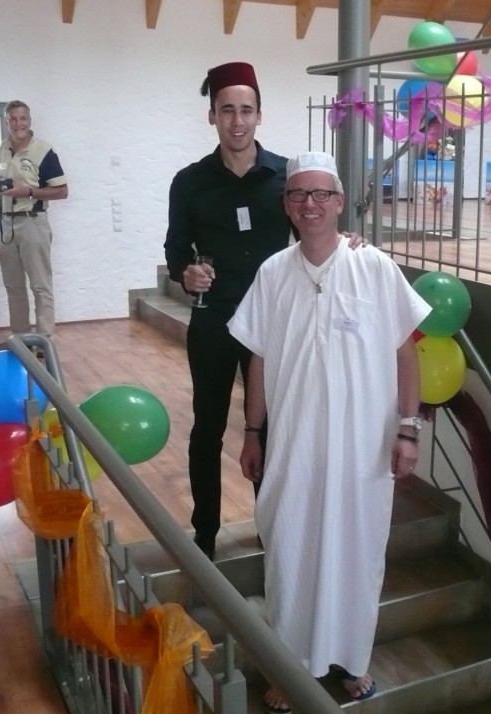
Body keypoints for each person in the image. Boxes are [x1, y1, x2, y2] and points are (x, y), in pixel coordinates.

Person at [228, 151, 430, 714]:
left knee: (358, 552)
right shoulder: (272, 273)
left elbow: (405, 354)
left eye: (321, 194)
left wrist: (408, 429)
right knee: (289, 551)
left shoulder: (374, 266)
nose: (310, 204)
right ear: (287, 205)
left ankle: (352, 658)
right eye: (299, 195)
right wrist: (253, 431)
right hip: (293, 445)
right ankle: (289, 666)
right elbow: (258, 359)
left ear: (340, 202)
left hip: (363, 449)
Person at [164, 62, 365, 560]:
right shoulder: (189, 182)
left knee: (273, 426)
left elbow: (313, 230)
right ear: (212, 115)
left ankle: (273, 526)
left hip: (277, 323)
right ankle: (205, 534)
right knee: (208, 428)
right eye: (227, 110)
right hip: (215, 320)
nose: (237, 121)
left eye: (246, 110)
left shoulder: (284, 178)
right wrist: (186, 274)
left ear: (259, 115)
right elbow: (175, 249)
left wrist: (346, 241)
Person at [0, 100, 69, 337]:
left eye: (22, 118)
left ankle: (45, 342)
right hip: (4, 224)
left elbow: (62, 191)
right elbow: (6, 181)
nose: (18, 124)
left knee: (40, 286)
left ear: (30, 121)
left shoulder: (43, 150)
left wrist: (28, 192)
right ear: (7, 122)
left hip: (32, 222)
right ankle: (21, 340)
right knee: (13, 287)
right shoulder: (3, 147)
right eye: (13, 119)